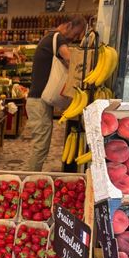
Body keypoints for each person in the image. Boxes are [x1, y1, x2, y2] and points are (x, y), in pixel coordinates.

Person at [26, 15, 87, 171]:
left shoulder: (50, 37)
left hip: (39, 101)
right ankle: (28, 181)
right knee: (40, 147)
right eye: (75, 33)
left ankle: (30, 178)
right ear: (68, 25)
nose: (74, 38)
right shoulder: (57, 38)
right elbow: (71, 59)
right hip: (38, 102)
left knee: (41, 146)